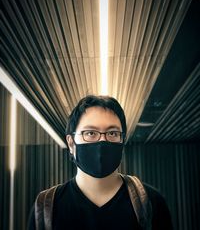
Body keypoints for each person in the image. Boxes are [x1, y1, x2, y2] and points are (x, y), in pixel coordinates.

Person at [27, 95, 173, 230]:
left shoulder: (151, 202)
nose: (102, 141)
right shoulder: (45, 208)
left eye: (112, 133)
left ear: (122, 141)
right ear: (71, 143)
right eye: (90, 133)